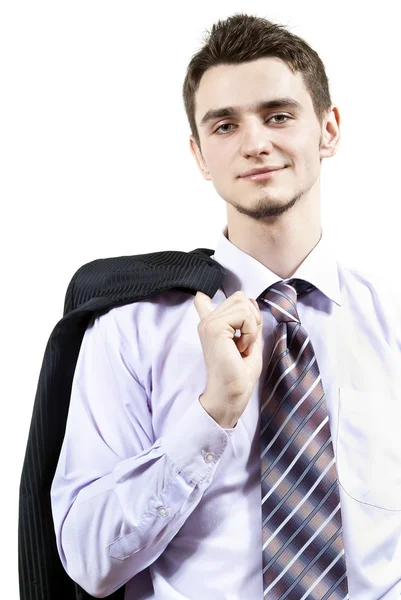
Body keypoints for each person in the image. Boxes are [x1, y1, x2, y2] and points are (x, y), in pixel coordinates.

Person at [50, 12, 401, 600]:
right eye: (224, 126)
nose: (255, 142)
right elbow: (87, 560)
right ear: (199, 154)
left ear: (329, 129)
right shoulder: (128, 331)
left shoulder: (390, 319)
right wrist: (212, 413)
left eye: (279, 116)